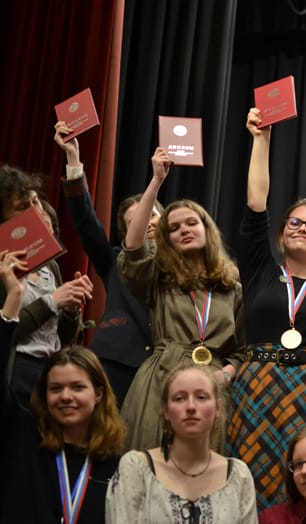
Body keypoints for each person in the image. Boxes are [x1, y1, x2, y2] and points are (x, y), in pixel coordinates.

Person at [227, 108, 306, 510]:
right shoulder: (260, 272)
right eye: (294, 223)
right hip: (257, 387)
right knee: (250, 481)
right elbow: (256, 204)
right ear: (281, 234)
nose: (302, 228)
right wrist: (260, 140)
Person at [118, 148, 245, 451]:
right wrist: (156, 181)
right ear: (166, 240)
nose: (184, 231)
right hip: (160, 380)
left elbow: (240, 352)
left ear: (206, 229)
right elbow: (133, 248)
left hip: (210, 385)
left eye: (191, 223)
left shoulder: (231, 288)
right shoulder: (158, 276)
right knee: (149, 463)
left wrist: (224, 376)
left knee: (202, 468)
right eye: (173, 229)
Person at [0, 249, 125, 523]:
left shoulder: (117, 466)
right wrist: (13, 302)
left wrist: (69, 313)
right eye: (55, 389)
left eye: (77, 388)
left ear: (98, 393)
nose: (66, 396)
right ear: (44, 395)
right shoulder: (25, 441)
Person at [54, 121, 160, 406]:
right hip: (116, 361)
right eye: (136, 221)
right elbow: (86, 223)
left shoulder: (189, 265)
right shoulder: (115, 261)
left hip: (165, 368)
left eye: (152, 215)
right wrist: (73, 159)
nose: (147, 224)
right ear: (127, 235)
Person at [107, 364, 257, 523]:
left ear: (217, 408)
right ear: (166, 410)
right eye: (179, 398)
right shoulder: (136, 468)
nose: (191, 406)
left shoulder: (238, 476)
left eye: (201, 397)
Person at [0, 164, 92, 403]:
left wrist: (70, 310)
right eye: (23, 206)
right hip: (14, 372)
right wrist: (51, 302)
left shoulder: (49, 265)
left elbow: (60, 337)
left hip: (49, 372)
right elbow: (5, 334)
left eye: (36, 202)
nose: (36, 211)